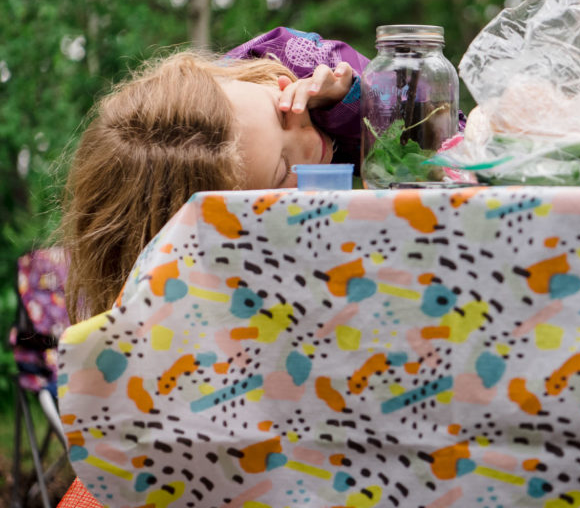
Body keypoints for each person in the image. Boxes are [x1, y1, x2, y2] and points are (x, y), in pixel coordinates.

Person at [59, 27, 367, 324]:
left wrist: (347, 103)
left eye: (285, 111)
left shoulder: (279, 64)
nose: (313, 143)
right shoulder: (227, 304)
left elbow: (411, 102)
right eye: (284, 170)